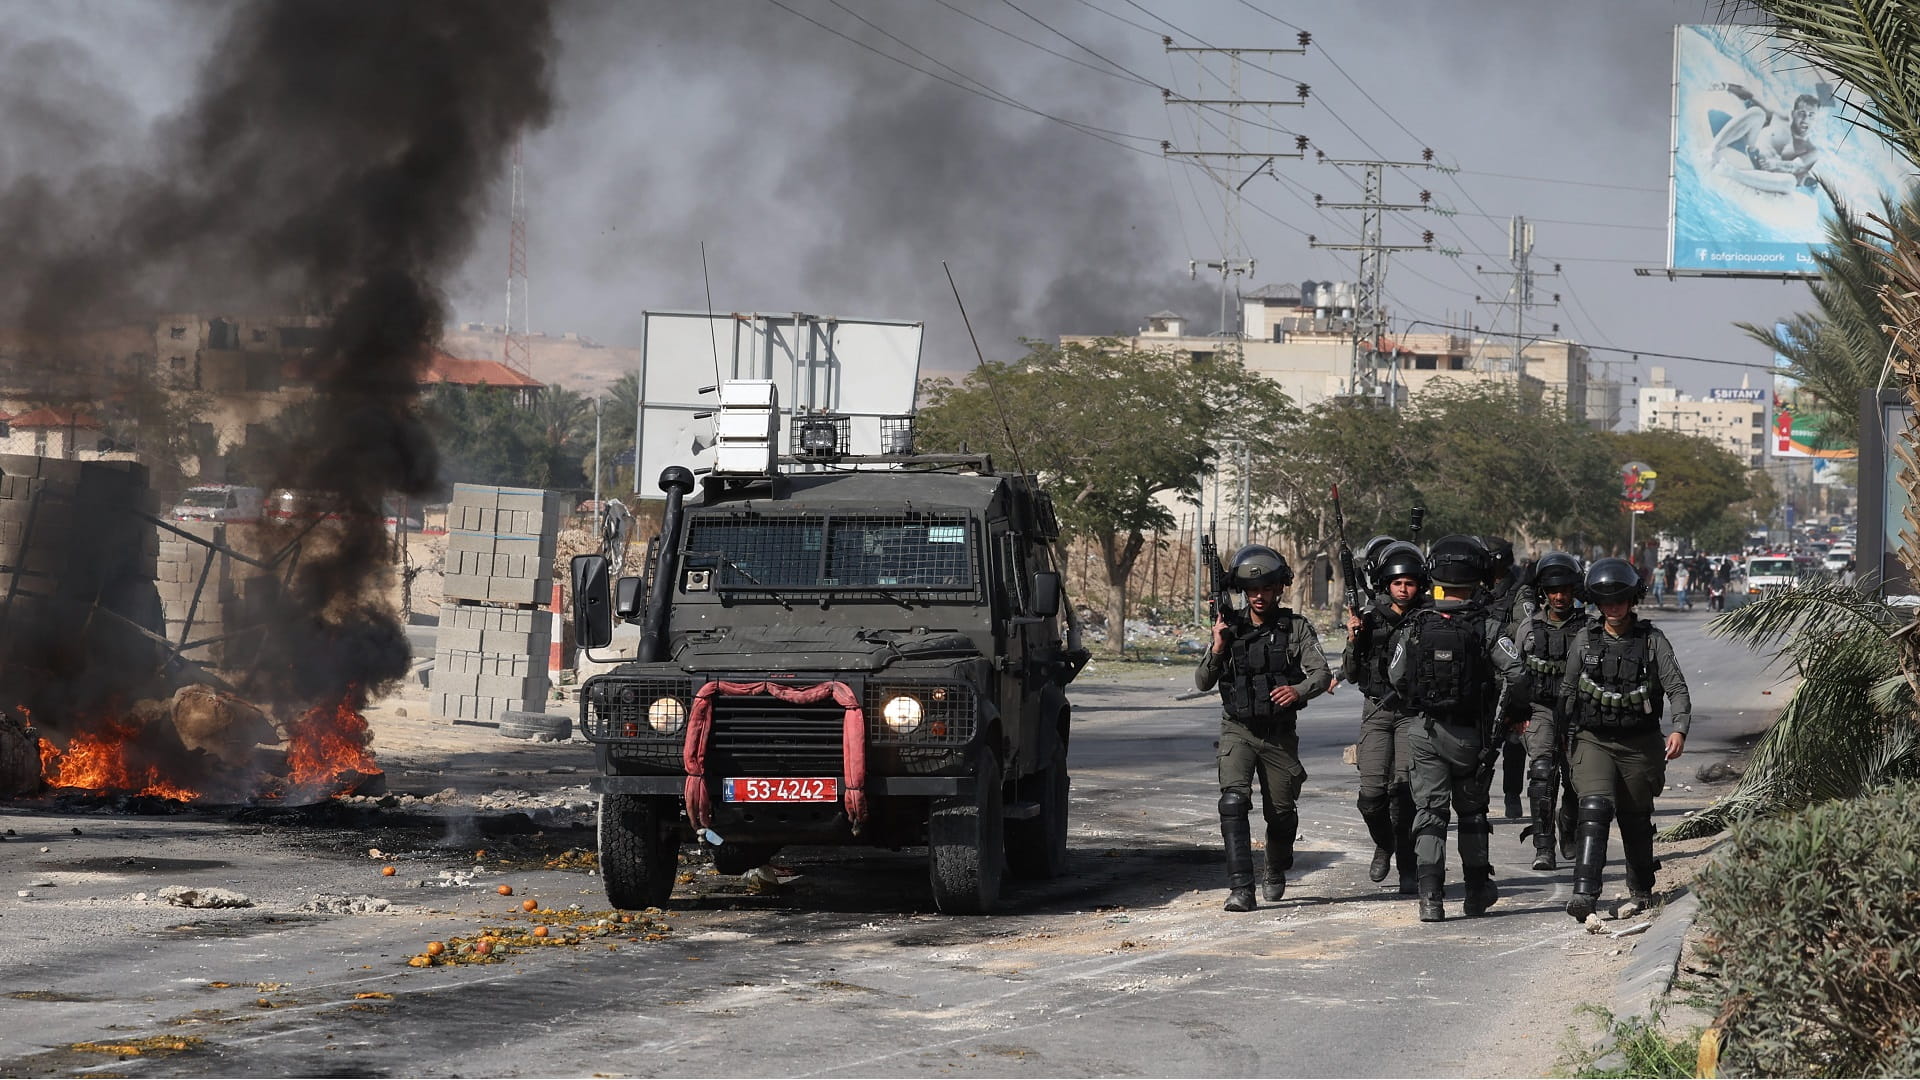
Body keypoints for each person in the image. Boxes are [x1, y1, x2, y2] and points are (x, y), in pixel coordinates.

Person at [1388, 535, 1530, 922]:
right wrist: (1509, 713)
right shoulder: (1487, 626)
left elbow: (1396, 675)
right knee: (1471, 816)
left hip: (1424, 732)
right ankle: (1474, 892)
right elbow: (1517, 673)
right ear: (1478, 575)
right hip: (1472, 736)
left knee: (1429, 814)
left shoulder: (1415, 624)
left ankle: (1430, 897)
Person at [1196, 544, 1332, 912]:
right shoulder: (1229, 626)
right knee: (1233, 802)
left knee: (1282, 815)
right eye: (1252, 590)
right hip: (1237, 729)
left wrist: (1298, 690)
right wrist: (1219, 646)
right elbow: (1202, 681)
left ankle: (1276, 867)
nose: (1258, 596)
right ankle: (1241, 888)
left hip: (1278, 735)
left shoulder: (1296, 628)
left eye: (1266, 589)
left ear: (1278, 589)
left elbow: (1322, 674)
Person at [1560, 558, 1692, 921]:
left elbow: (1676, 688)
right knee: (1595, 809)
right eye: (1605, 601)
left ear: (1632, 599)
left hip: (1640, 743)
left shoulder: (1652, 641)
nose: (1613, 607)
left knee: (1635, 818)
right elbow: (1569, 691)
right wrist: (1562, 737)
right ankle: (1584, 893)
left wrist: (1679, 728)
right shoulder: (1585, 640)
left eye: (1620, 599)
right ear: (1595, 602)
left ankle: (1641, 889)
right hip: (1594, 739)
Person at [1341, 540, 1427, 895]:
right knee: (1371, 794)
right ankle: (1385, 843)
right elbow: (1349, 672)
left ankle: (1408, 866)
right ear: (1386, 585)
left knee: (1406, 793)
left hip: (1412, 713)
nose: (1404, 589)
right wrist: (1352, 639)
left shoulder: (1428, 618)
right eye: (1397, 583)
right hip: (1376, 708)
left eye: (1409, 583)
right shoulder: (1370, 618)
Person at [1513, 552, 1591, 871]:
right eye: (1553, 590)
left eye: (1565, 590)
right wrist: (1516, 715)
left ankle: (1568, 828)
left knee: (1577, 782)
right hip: (1541, 709)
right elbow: (1513, 673)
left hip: (1580, 712)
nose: (1559, 597)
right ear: (1543, 592)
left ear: (1575, 591)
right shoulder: (1528, 628)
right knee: (1542, 775)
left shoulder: (1590, 628)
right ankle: (1543, 847)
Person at [1480, 536, 1530, 819]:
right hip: (1483, 675)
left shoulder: (1519, 590)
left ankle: (1512, 794)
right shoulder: (1478, 587)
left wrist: (1491, 630)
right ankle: (1479, 796)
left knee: (1513, 742)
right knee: (1483, 741)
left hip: (1508, 675)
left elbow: (1525, 627)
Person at [1709, 82, 1824, 191]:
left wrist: (1775, 164)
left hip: (1769, 176)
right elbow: (1750, 97)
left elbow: (1795, 166)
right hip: (1751, 153)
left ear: (1816, 120)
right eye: (1802, 113)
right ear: (1793, 113)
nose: (1805, 119)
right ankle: (1711, 151)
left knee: (1790, 182)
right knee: (1757, 112)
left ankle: (1731, 172)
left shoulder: (1811, 151)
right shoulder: (1778, 119)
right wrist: (1726, 86)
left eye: (1811, 116)